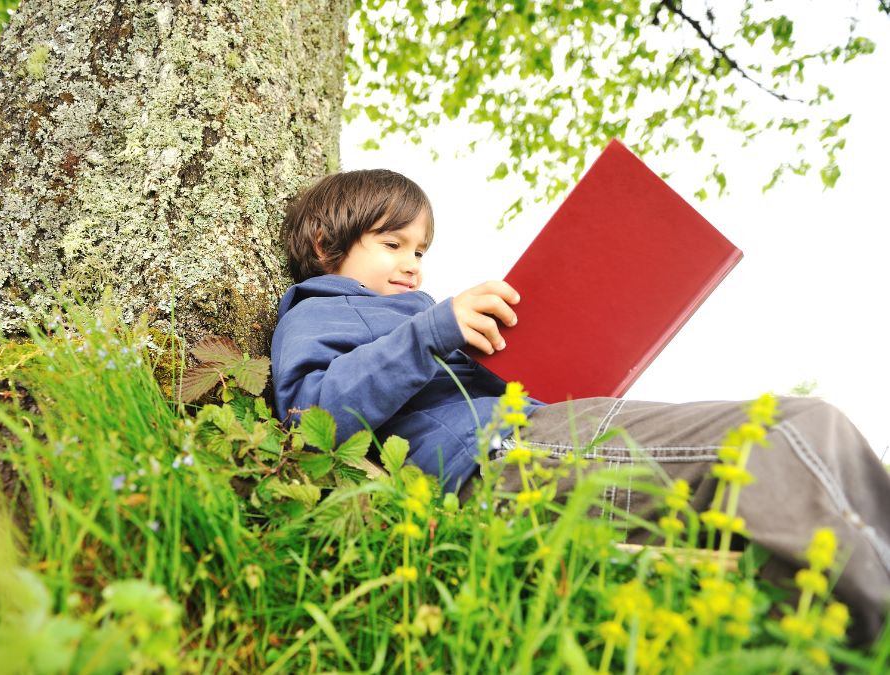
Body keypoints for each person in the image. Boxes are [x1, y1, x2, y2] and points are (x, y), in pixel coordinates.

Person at [271, 168, 889, 644]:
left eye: (421, 250)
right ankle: (868, 628)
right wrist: (436, 329)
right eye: (392, 243)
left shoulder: (416, 315)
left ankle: (834, 623)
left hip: (539, 433)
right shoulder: (320, 309)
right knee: (790, 431)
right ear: (329, 245)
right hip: (500, 457)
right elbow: (311, 415)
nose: (412, 264)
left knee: (792, 453)